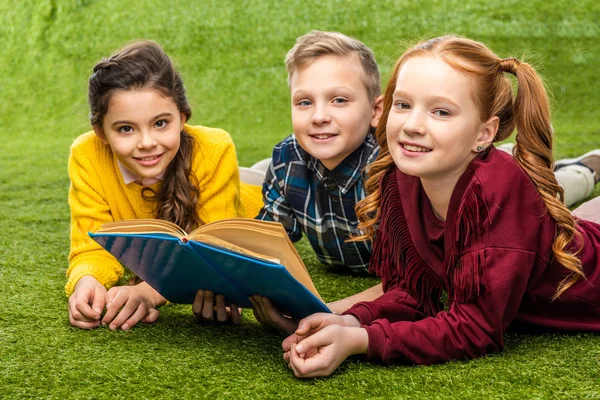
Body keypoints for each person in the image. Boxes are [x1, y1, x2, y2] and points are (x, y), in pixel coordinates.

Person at [281, 35, 600, 378]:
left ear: (485, 133)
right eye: (403, 105)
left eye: (441, 111)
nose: (412, 126)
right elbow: (413, 293)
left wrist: (361, 340)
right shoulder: (401, 176)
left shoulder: (498, 190)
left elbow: (476, 329)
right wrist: (349, 318)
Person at [66, 40, 263, 330]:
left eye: (160, 123)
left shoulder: (215, 148)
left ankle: (262, 170)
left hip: (253, 202)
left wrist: (150, 292)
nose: (147, 143)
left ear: (182, 117)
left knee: (263, 177)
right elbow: (90, 245)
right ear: (101, 132)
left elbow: (215, 253)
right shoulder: (87, 154)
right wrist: (87, 281)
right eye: (125, 129)